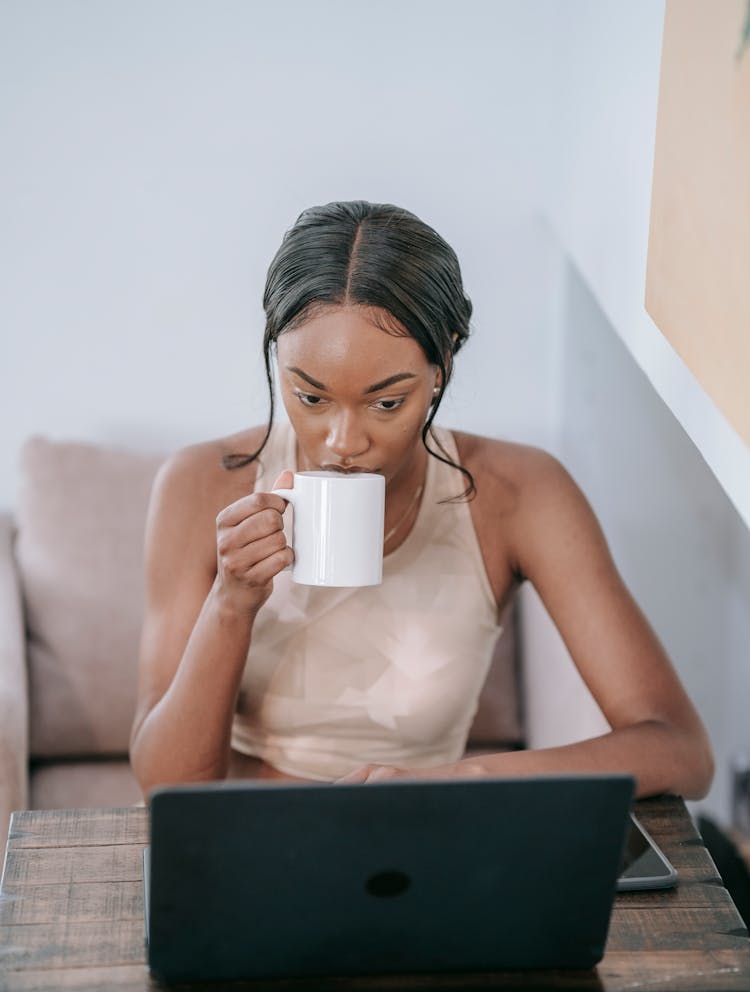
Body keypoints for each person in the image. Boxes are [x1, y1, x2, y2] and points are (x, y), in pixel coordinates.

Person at [129, 200, 714, 800]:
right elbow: (166, 784)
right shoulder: (200, 484)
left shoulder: (518, 492)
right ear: (277, 356)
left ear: (444, 362)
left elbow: (680, 750)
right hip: (248, 838)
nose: (343, 442)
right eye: (310, 398)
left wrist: (463, 778)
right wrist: (232, 602)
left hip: (427, 843)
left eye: (386, 403)